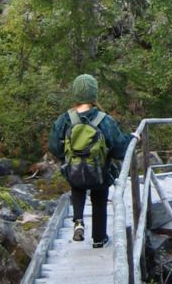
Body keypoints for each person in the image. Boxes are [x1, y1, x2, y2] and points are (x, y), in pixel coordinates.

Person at [48, 74, 136, 248]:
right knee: (99, 197)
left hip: (74, 172)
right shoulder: (104, 120)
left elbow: (54, 146)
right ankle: (98, 238)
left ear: (76, 94)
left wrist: (67, 158)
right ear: (94, 94)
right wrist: (132, 138)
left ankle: (79, 221)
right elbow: (119, 148)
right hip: (99, 172)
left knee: (77, 185)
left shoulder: (64, 119)